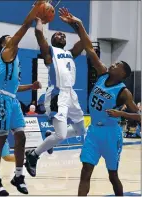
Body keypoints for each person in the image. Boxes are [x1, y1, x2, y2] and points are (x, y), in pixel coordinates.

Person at [59, 9, 141, 196]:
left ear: (123, 74)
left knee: (113, 175)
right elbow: (89, 47)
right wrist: (77, 24)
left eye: (117, 65)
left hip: (111, 135)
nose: (112, 64)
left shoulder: (123, 93)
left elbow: (139, 116)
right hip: (94, 132)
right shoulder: (103, 74)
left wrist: (121, 114)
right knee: (85, 171)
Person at [0, 1, 44, 196]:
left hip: (11, 99)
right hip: (1, 100)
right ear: (4, 44)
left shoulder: (14, 59)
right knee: (1, 139)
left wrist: (31, 86)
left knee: (21, 137)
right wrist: (37, 9)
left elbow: (13, 87)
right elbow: (24, 26)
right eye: (9, 38)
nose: (13, 39)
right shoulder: (7, 51)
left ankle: (18, 176)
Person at [24, 8, 86, 177]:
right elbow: (38, 34)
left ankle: (51, 136)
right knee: (61, 134)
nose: (61, 35)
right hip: (57, 95)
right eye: (58, 34)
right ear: (52, 39)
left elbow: (84, 40)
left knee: (81, 131)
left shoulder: (70, 53)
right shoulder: (50, 53)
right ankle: (33, 155)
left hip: (71, 95)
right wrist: (39, 20)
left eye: (63, 35)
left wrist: (75, 23)